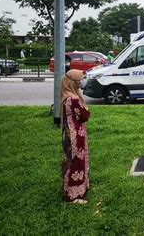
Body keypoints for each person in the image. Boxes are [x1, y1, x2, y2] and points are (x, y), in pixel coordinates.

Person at [60, 69, 90, 204]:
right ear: (73, 82)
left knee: (71, 161)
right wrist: (87, 110)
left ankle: (73, 189)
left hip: (70, 133)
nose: (81, 82)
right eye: (79, 80)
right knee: (76, 162)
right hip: (75, 136)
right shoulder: (73, 99)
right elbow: (84, 116)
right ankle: (74, 195)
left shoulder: (67, 95)